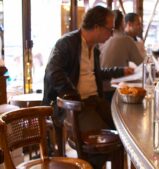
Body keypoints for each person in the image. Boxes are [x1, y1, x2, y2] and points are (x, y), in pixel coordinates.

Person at [43, 6, 133, 168]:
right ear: (97, 27)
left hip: (94, 102)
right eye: (109, 29)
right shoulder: (67, 43)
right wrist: (72, 95)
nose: (111, 34)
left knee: (126, 129)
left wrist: (121, 70)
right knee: (99, 146)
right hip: (74, 107)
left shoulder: (94, 48)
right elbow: (52, 71)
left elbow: (95, 73)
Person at [100, 10, 144, 101]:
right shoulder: (126, 40)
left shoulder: (102, 39)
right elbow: (142, 63)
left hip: (100, 88)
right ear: (122, 24)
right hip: (115, 89)